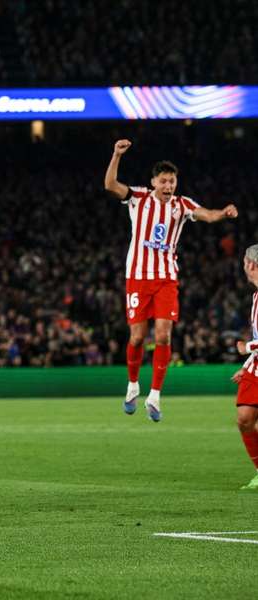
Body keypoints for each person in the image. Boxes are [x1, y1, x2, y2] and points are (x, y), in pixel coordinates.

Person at [104, 139, 238, 421]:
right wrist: (116, 155)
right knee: (138, 337)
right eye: (163, 181)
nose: (168, 186)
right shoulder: (138, 198)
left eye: (172, 181)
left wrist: (222, 213)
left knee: (164, 335)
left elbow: (206, 215)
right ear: (153, 182)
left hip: (166, 278)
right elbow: (110, 185)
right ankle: (132, 386)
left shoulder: (182, 204)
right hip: (138, 278)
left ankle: (154, 396)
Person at [232, 244, 258, 490]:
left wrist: (246, 349)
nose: (243, 268)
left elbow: (255, 342)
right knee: (244, 419)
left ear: (251, 265)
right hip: (256, 367)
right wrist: (247, 364)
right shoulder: (255, 296)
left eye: (243, 263)